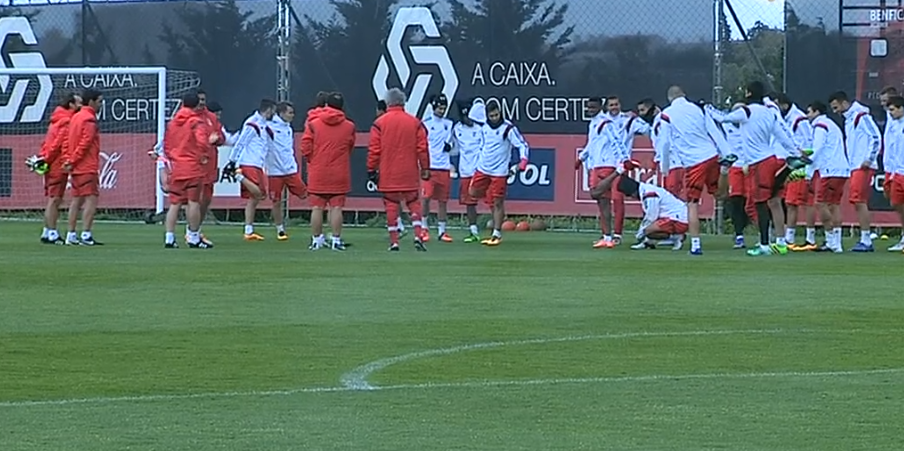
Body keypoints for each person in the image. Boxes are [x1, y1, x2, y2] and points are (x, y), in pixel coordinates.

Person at [708, 82, 799, 256]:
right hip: (771, 158)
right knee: (773, 200)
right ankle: (780, 241)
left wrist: (707, 108)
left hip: (758, 163)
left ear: (748, 93)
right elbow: (781, 135)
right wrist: (795, 152)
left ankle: (764, 244)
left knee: (760, 204)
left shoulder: (746, 111)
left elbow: (722, 118)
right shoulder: (770, 112)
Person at [659, 85, 722, 255]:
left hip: (695, 162)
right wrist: (726, 152)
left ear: (670, 99)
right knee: (721, 194)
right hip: (712, 155)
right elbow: (713, 130)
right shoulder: (698, 108)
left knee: (692, 204)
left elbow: (664, 142)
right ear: (684, 95)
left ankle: (695, 245)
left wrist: (664, 166)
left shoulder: (666, 114)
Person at [367, 88, 430, 251]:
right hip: (409, 172)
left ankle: (394, 242)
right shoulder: (415, 123)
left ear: (387, 103)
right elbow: (422, 148)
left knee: (391, 205)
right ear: (404, 102)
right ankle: (418, 235)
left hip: (388, 172)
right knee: (414, 203)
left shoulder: (379, 123)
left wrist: (371, 169)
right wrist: (425, 168)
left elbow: (374, 149)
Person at [163, 93, 220, 249]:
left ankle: (169, 237)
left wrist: (173, 158)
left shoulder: (173, 122)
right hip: (192, 167)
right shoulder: (196, 121)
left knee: (174, 203)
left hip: (177, 167)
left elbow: (166, 145)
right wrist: (206, 152)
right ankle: (193, 236)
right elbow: (202, 142)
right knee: (193, 202)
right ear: (197, 106)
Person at [469, 100, 530, 246]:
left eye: (497, 114)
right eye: (492, 115)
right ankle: (489, 196)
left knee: (498, 202)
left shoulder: (507, 128)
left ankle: (496, 233)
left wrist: (523, 161)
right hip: (483, 168)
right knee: (472, 192)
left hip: (499, 171)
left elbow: (522, 144)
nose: (495, 118)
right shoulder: (483, 126)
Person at [300, 92, 356, 251]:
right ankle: (336, 240)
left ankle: (317, 240)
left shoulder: (314, 124)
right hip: (340, 171)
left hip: (318, 171)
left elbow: (305, 146)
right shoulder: (349, 126)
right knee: (337, 207)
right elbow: (350, 146)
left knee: (317, 207)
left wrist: (314, 160)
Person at [828, 91, 881, 252]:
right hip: (855, 165)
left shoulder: (861, 116)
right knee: (858, 201)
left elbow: (876, 137)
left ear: (844, 102)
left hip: (862, 165)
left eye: (836, 107)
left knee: (859, 201)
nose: (835, 111)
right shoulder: (849, 119)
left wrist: (869, 159)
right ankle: (865, 238)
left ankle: (867, 239)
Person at [577, 96, 631, 249]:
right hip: (596, 164)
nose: (590, 110)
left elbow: (616, 141)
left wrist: (624, 159)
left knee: (595, 193)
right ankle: (607, 237)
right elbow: (591, 144)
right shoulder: (593, 123)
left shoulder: (605, 123)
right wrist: (581, 157)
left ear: (600, 108)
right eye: (588, 107)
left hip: (606, 165)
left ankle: (618, 172)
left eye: (593, 107)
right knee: (603, 203)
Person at [31, 93, 81, 245]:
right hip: (57, 164)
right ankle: (52, 232)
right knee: (55, 199)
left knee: (53, 199)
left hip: (52, 163)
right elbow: (57, 144)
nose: (81, 105)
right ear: (71, 105)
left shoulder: (56, 120)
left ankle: (47, 231)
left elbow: (48, 142)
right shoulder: (66, 121)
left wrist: (43, 158)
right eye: (78, 103)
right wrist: (47, 159)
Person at [225, 99, 276, 241]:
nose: (274, 114)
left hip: (257, 163)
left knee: (255, 198)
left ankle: (248, 230)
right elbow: (241, 142)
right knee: (258, 194)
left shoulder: (264, 125)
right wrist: (232, 161)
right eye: (273, 111)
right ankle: (238, 176)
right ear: (268, 110)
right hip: (249, 163)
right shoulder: (252, 123)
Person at [776, 94, 818, 251]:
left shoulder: (799, 119)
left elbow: (808, 141)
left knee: (797, 203)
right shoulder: (786, 118)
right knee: (791, 202)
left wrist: (804, 163)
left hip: (800, 165)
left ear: (784, 105)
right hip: (792, 164)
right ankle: (793, 237)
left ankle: (804, 238)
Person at [807, 101, 850, 253]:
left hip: (829, 169)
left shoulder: (820, 125)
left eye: (810, 112)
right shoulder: (831, 124)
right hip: (841, 169)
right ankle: (836, 243)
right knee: (834, 204)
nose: (807, 116)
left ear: (817, 112)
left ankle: (831, 240)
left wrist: (807, 162)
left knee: (820, 203)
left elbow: (817, 148)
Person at [61, 88, 103, 246]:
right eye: (99, 101)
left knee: (76, 200)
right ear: (91, 102)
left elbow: (67, 140)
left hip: (76, 167)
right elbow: (85, 143)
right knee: (91, 199)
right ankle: (86, 234)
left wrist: (68, 159)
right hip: (86, 166)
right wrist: (72, 159)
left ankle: (71, 235)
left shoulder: (75, 117)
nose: (101, 105)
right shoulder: (89, 119)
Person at [267, 101, 308, 241]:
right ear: (282, 113)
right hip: (274, 172)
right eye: (290, 112)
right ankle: (280, 229)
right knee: (276, 201)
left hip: (290, 170)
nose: (292, 115)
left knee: (305, 194)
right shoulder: (269, 127)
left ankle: (318, 221)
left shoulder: (288, 128)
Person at [420, 94, 455, 243]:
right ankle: (424, 227)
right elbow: (421, 145)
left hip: (444, 167)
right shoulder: (425, 124)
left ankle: (442, 231)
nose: (442, 111)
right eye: (439, 108)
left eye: (444, 108)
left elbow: (454, 143)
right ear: (433, 107)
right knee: (426, 198)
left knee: (443, 201)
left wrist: (450, 146)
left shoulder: (450, 124)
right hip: (430, 166)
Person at [194, 89, 225, 245]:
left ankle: (196, 230)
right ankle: (190, 233)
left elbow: (221, 136)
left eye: (203, 99)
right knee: (193, 200)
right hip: (194, 164)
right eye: (199, 99)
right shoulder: (188, 118)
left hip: (210, 165)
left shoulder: (211, 117)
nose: (201, 102)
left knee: (205, 200)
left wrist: (216, 138)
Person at [452, 98, 484, 243]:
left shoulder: (481, 128)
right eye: (465, 117)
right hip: (465, 171)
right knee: (470, 203)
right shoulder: (456, 129)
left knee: (493, 200)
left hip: (482, 171)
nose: (468, 120)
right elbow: (454, 149)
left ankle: (496, 231)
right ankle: (474, 231)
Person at [375, 99, 408, 236]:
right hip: (398, 163)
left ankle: (398, 224)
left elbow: (377, 147)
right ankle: (398, 223)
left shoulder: (382, 124)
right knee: (394, 196)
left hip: (387, 165)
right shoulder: (400, 122)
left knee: (390, 196)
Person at [723, 117, 755, 249]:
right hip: (735, 167)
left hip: (750, 166)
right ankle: (739, 235)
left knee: (754, 201)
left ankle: (766, 234)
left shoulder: (752, 125)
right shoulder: (726, 126)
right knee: (736, 201)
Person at [881, 95, 904, 252]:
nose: (890, 113)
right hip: (896, 170)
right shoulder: (894, 125)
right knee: (895, 202)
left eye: (893, 110)